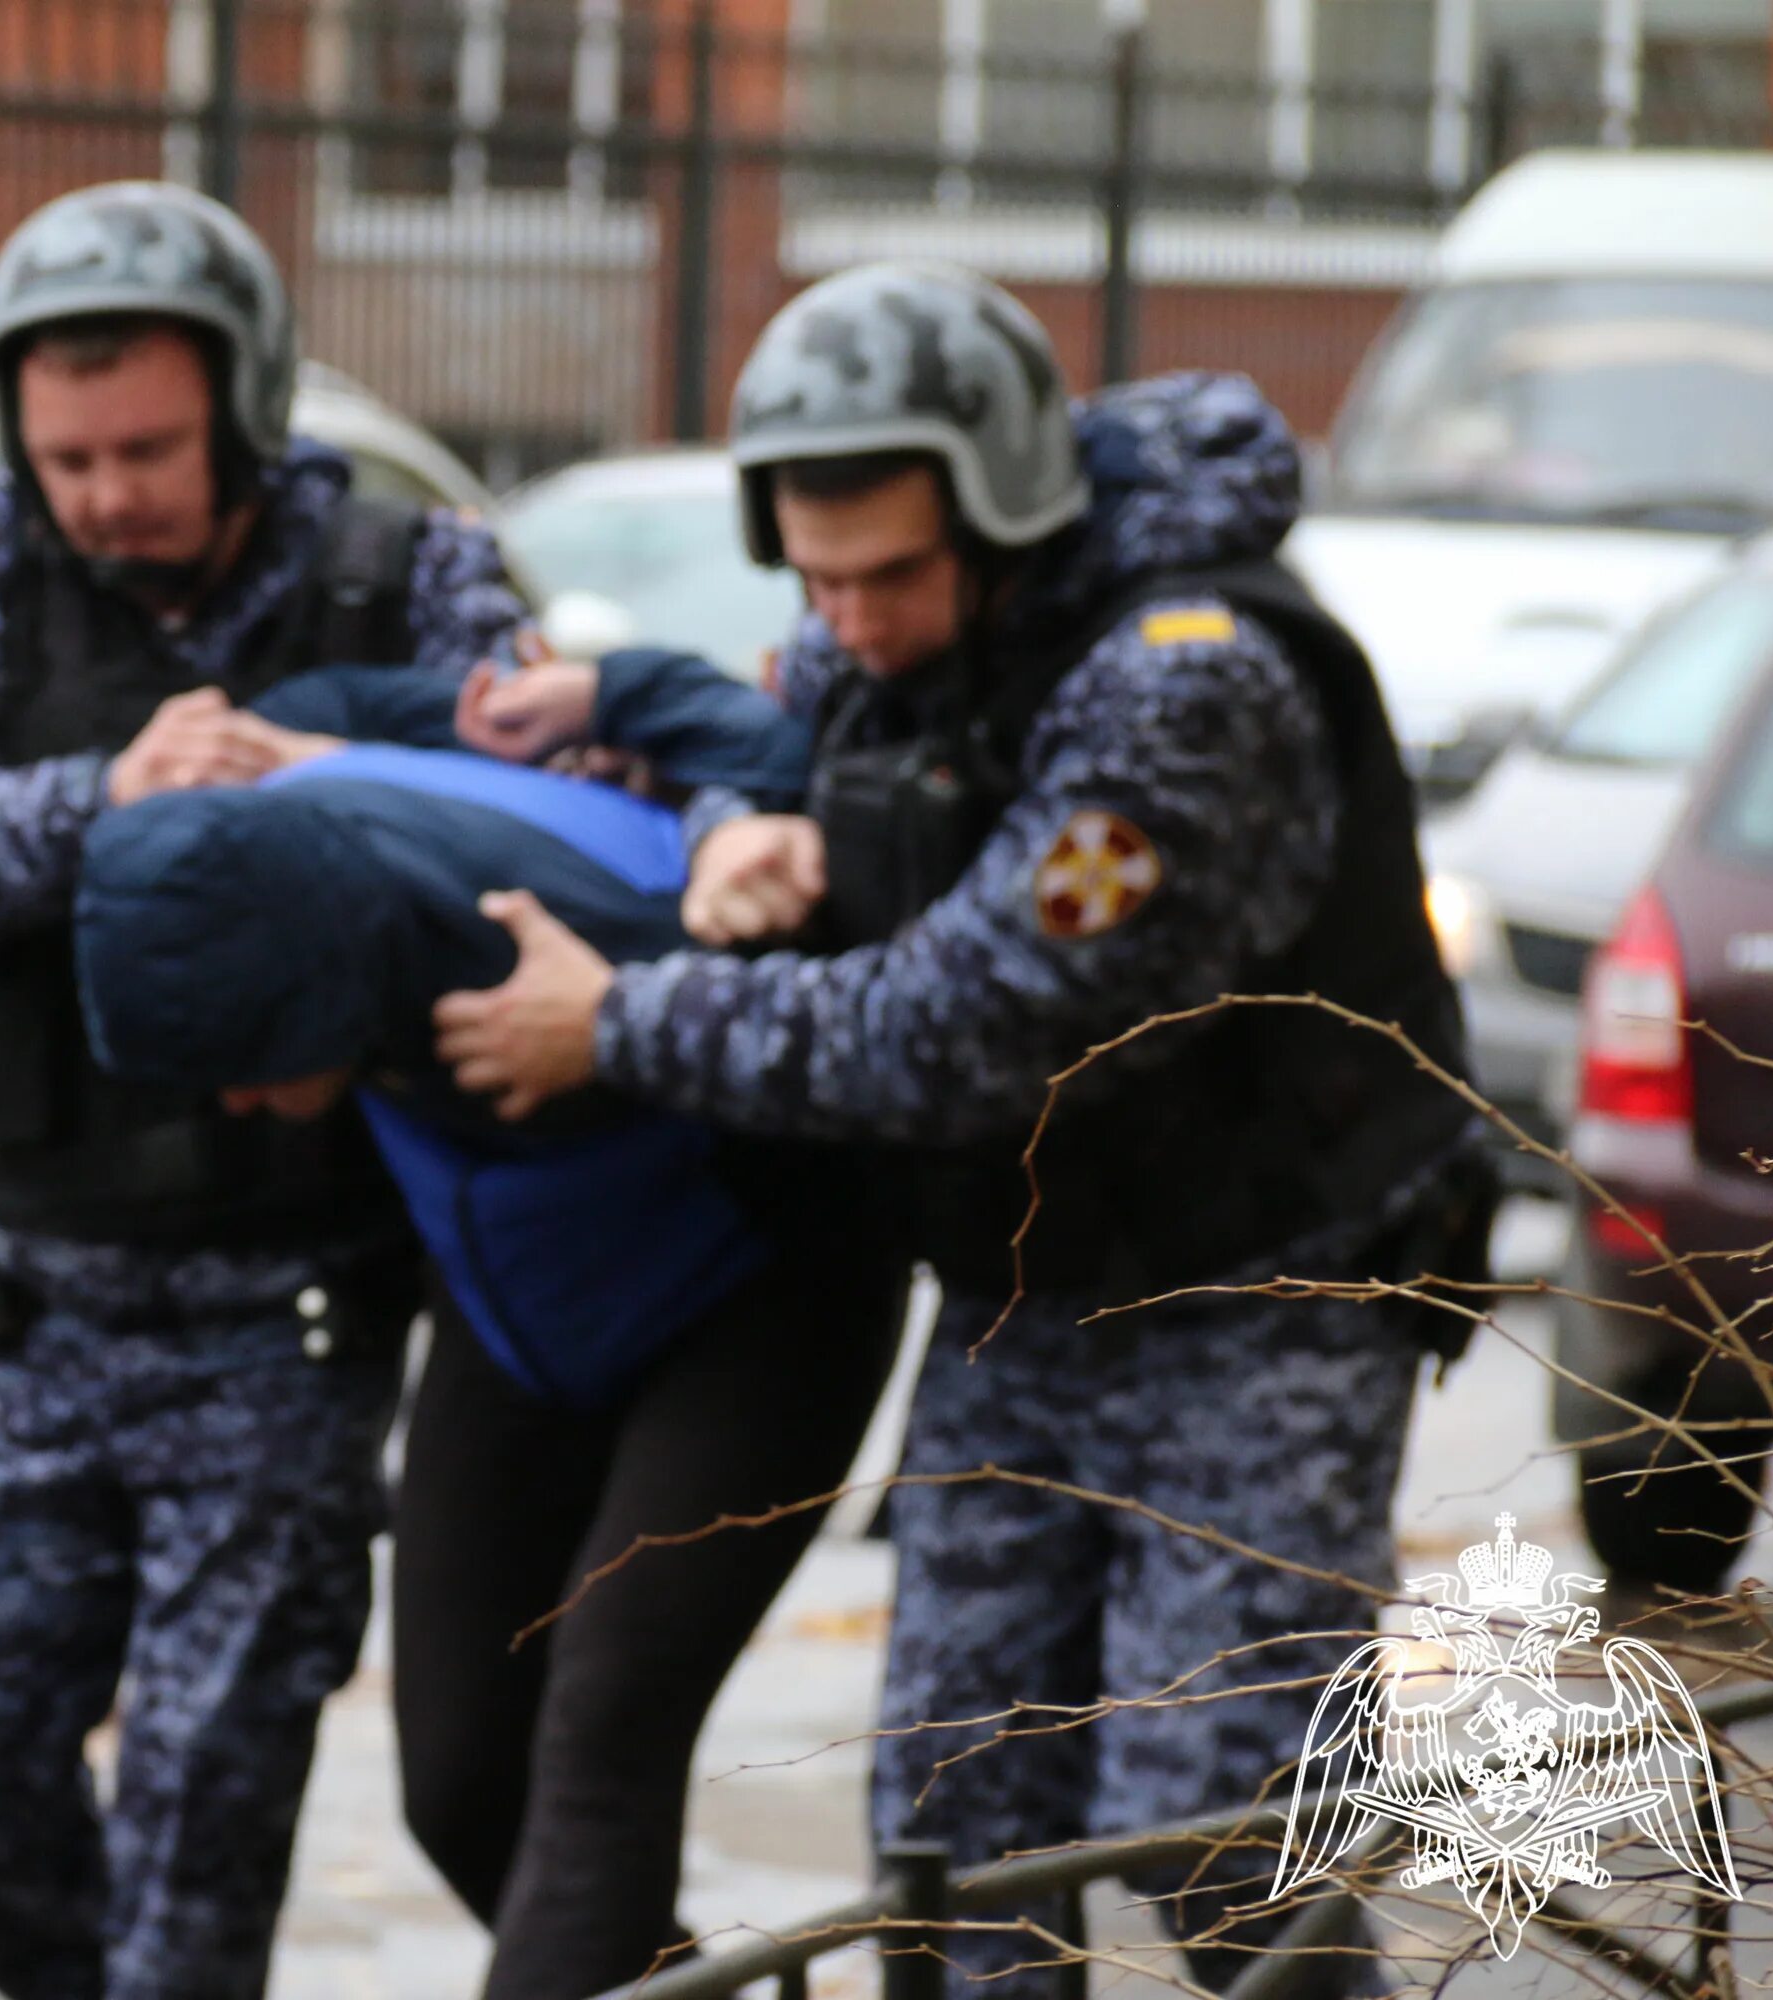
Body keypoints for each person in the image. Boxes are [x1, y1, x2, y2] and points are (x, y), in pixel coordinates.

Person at [429, 262, 1493, 1992]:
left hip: (1261, 1296)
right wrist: (700, 786)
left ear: (1004, 517)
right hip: (1029, 1292)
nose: (849, 618)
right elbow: (810, 747)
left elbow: (956, 1030)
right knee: (957, 1828)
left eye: (891, 575)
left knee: (1223, 1834)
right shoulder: (908, 641)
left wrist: (613, 1022)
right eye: (819, 577)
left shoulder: (1189, 686)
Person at [0, 181, 528, 2000]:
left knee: (201, 1841)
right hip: (34, 1304)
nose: (107, 494)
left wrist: (308, 798)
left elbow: (540, 834)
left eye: (146, 447)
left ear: (245, 405)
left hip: (282, 1312)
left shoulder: (406, 568)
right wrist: (110, 798)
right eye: (69, 455)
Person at [68, 690, 906, 2000]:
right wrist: (324, 738)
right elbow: (402, 699)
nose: (234, 1102)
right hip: (525, 1316)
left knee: (602, 1735)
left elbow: (774, 775)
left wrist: (626, 1012)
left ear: (317, 979)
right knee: (463, 1783)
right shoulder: (272, 840)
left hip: (758, 1302)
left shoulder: (542, 918)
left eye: (247, 1062)